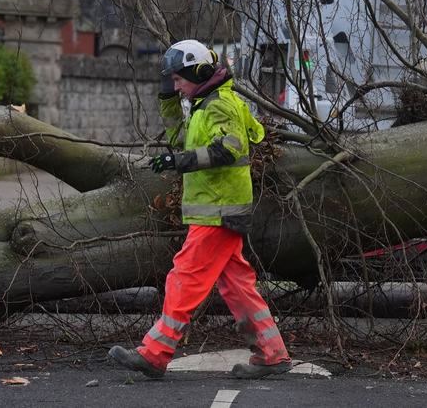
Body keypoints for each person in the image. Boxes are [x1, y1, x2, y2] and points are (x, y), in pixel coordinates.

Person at [109, 40, 291, 380]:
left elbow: (228, 149)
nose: (176, 85)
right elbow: (181, 140)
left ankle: (154, 354)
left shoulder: (219, 105)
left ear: (199, 72)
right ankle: (273, 353)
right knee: (238, 287)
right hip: (218, 210)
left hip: (217, 212)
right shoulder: (204, 104)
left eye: (178, 80)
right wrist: (168, 100)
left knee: (184, 279)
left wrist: (177, 162)